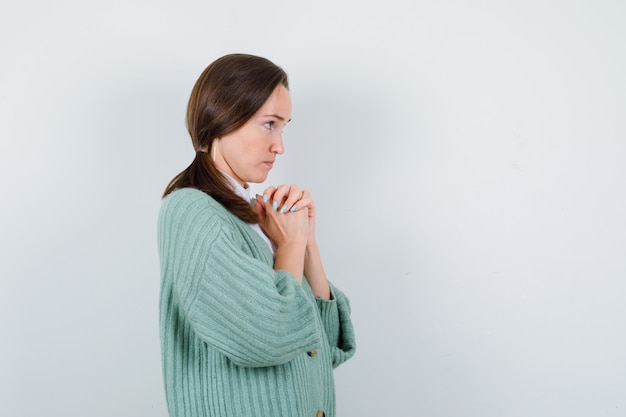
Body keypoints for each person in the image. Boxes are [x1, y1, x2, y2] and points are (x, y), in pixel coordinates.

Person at [157, 53, 356, 417]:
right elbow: (273, 338)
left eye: (284, 127)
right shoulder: (191, 211)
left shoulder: (253, 214)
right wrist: (290, 245)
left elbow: (324, 349)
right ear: (223, 117)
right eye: (269, 125)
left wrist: (305, 242)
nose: (280, 145)